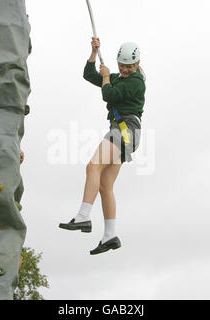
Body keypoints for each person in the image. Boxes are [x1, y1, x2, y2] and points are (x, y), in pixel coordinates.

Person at [59, 37, 146, 255]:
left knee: (93, 166)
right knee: (105, 185)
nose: (124, 69)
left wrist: (107, 76)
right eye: (122, 65)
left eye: (129, 66)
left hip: (127, 129)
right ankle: (110, 236)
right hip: (124, 131)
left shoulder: (136, 82)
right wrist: (94, 53)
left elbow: (108, 94)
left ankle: (83, 216)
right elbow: (89, 75)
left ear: (136, 64)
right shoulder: (118, 77)